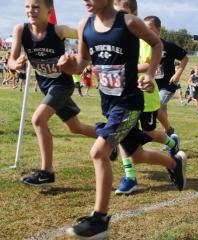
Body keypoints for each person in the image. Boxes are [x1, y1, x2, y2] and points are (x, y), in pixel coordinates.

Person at [58, 1, 185, 238]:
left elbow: (157, 45)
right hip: (109, 104)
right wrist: (69, 66)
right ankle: (174, 163)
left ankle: (100, 220)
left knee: (98, 152)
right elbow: (82, 63)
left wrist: (148, 74)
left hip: (129, 103)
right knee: (136, 155)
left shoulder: (128, 22)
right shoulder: (84, 25)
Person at [8, 0, 98, 187]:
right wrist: (14, 65)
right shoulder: (20, 30)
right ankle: (108, 138)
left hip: (62, 86)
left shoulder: (59, 31)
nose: (30, 11)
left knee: (38, 119)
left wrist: (77, 56)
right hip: (46, 87)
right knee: (75, 127)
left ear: (49, 11)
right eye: (27, 7)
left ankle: (47, 173)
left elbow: (85, 34)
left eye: (35, 7)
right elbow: (11, 59)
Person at [114, 0, 186, 195]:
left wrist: (125, 69)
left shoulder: (143, 38)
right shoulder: (116, 38)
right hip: (124, 97)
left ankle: (172, 143)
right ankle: (130, 178)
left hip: (146, 98)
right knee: (122, 135)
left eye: (124, 11)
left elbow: (148, 64)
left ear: (134, 13)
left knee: (150, 133)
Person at [150, 16, 188, 136]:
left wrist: (178, 74)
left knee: (157, 106)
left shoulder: (168, 46)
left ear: (159, 29)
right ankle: (170, 139)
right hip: (153, 85)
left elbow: (185, 58)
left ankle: (170, 131)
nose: (147, 32)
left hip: (168, 85)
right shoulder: (144, 48)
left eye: (150, 28)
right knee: (162, 113)